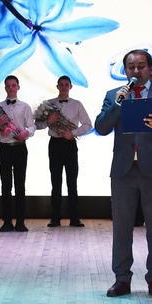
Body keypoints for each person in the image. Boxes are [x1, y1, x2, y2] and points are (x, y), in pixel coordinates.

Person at [94, 49, 152, 297]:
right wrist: (118, 105)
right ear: (125, 70)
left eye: (141, 66)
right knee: (121, 229)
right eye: (131, 67)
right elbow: (101, 128)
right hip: (123, 172)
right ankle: (122, 279)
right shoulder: (114, 95)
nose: (136, 71)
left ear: (150, 68)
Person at [39, 75, 91, 228]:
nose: (63, 87)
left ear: (70, 87)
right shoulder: (49, 104)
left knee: (72, 182)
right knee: (55, 182)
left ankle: (75, 218)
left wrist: (72, 133)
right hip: (54, 144)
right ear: (57, 86)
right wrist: (48, 121)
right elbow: (38, 125)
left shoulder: (77, 104)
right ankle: (55, 218)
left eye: (66, 84)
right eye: (61, 84)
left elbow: (88, 125)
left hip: (70, 145)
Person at [0, 74, 34, 233]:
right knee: (5, 186)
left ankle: (20, 222)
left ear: (18, 87)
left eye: (13, 85)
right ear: (5, 88)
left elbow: (31, 126)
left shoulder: (25, 107)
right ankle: (6, 222)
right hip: (3, 148)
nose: (11, 88)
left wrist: (26, 132)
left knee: (20, 185)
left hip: (19, 148)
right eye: (8, 86)